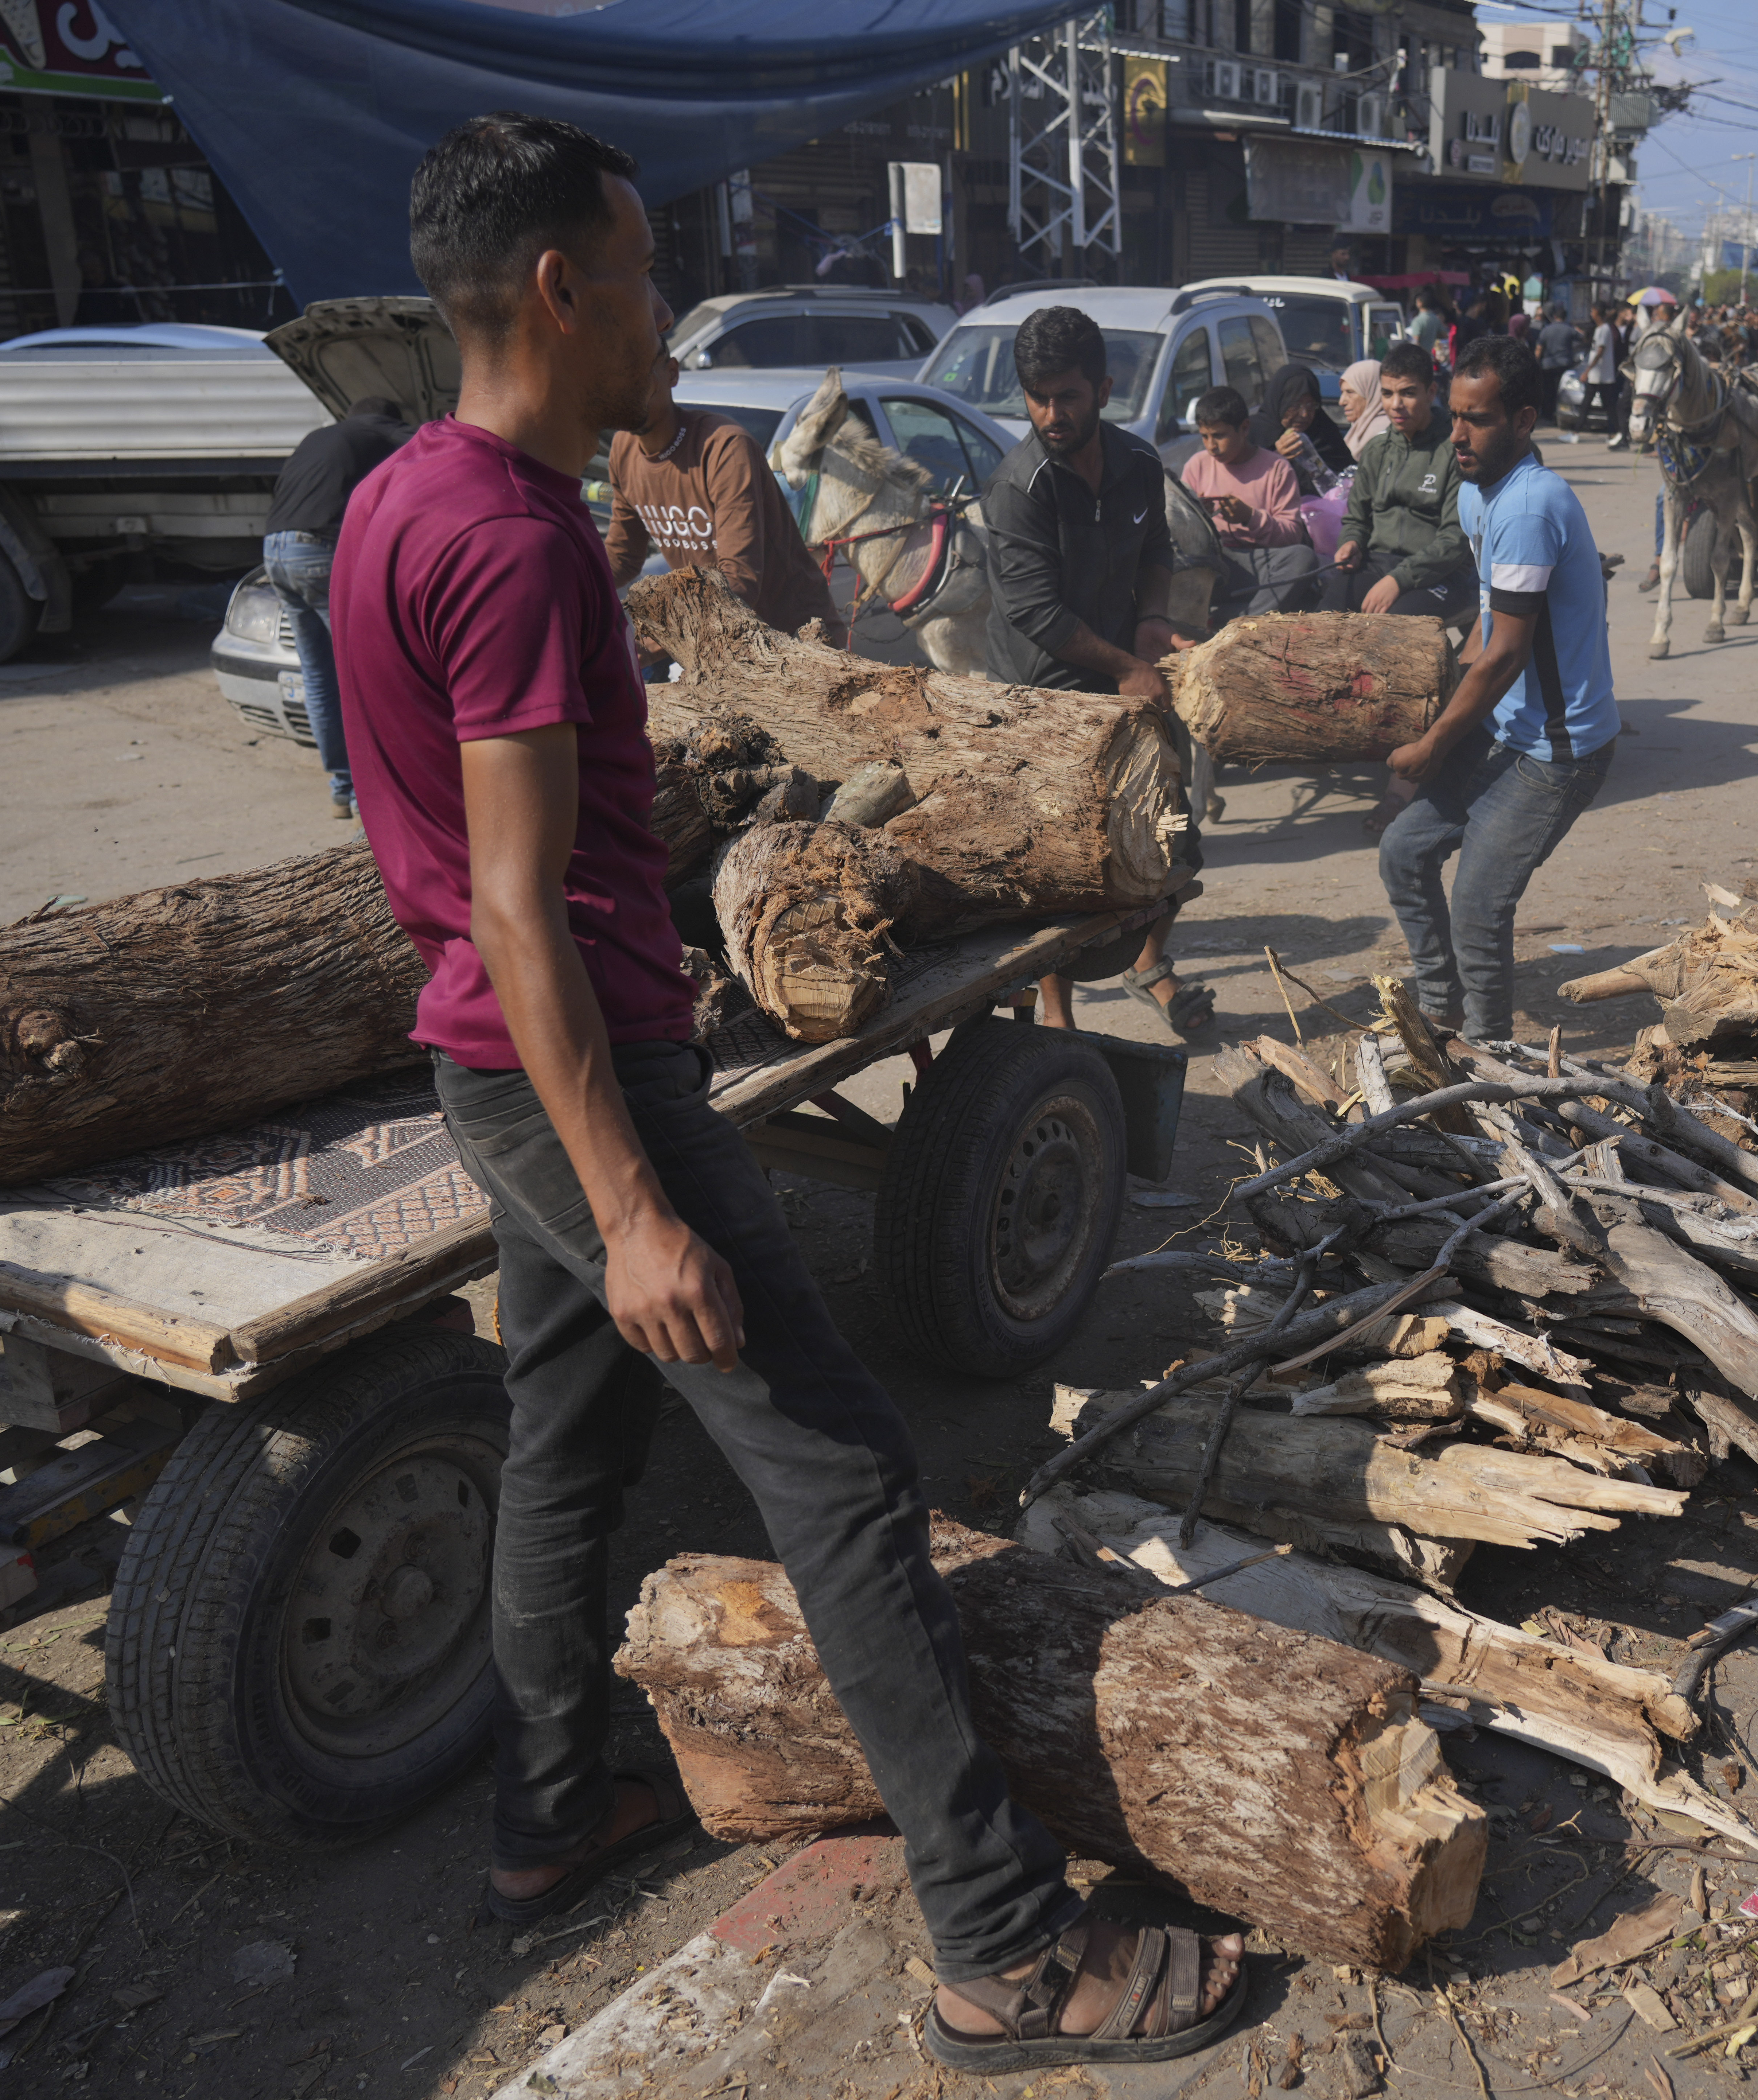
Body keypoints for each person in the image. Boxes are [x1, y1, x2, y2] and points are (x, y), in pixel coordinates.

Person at [332, 114, 1243, 2068]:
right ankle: (1007, 1953)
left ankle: (553, 1813)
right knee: (843, 1479)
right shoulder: (508, 542)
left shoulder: (406, 495)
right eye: (649, 271)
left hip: (499, 1068)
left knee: (566, 1444)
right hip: (580, 1081)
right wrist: (639, 1200)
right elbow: (516, 905)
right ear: (562, 289)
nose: (671, 310)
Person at [975, 305, 1215, 1035]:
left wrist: (1150, 622)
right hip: (1045, 689)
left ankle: (1147, 965)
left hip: (1124, 669)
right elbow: (1038, 615)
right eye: (1038, 396)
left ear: (1103, 389)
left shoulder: (1142, 466)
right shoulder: (1020, 489)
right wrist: (1124, 668)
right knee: (1061, 864)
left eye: (1068, 396)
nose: (1052, 412)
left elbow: (1157, 556)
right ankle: (1056, 1016)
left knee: (1175, 837)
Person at [1377, 334, 1612, 1043]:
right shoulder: (1482, 494)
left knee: (1479, 904)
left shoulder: (1530, 506)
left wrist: (1432, 746)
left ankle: (1488, 1059)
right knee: (1403, 852)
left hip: (1558, 749)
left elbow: (1505, 655)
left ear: (1523, 420)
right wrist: (1440, 716)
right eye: (1454, 415)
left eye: (1476, 419)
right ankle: (1442, 1005)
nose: (1458, 434)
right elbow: (1484, 632)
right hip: (1504, 730)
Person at [262, 392, 415, 817]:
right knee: (361, 676)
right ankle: (370, 803)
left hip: (274, 549)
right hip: (318, 552)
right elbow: (441, 445)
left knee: (319, 676)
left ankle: (343, 788)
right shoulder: (382, 430)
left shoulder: (322, 437)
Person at [602, 369, 835, 642]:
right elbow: (622, 559)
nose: (631, 384)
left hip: (796, 638)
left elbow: (739, 582)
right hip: (715, 642)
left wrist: (650, 645)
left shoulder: (726, 447)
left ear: (672, 373)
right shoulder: (623, 450)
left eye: (641, 371)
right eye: (622, 372)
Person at [1327, 342, 1469, 621]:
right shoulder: (1376, 450)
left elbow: (1456, 539)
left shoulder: (1456, 451)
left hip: (1441, 574)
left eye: (1408, 393)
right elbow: (1357, 519)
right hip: (1377, 565)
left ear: (1431, 393)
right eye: (1387, 394)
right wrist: (1351, 543)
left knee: (1392, 632)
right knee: (1323, 621)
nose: (1396, 405)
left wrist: (1399, 580)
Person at [1182, 383, 1321, 617]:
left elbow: (1292, 535)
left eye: (1219, 436)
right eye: (1205, 436)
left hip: (1260, 565)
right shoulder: (1198, 465)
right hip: (1215, 563)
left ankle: (1242, 621)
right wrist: (1199, 517)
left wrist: (1250, 518)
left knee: (1303, 558)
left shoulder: (1277, 468)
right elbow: (1181, 533)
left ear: (1245, 428)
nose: (1211, 446)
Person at [1249, 363, 1353, 497]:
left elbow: (1348, 479)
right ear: (1280, 401)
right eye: (1295, 405)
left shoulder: (1326, 434)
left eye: (1311, 405)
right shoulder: (1252, 434)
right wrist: (1276, 458)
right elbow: (1244, 484)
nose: (1304, 414)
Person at [1589, 304, 1627, 448]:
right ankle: (1616, 433)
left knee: (1611, 406)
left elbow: (1601, 351)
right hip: (1599, 374)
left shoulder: (1605, 330)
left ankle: (1618, 433)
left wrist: (1588, 370)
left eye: (1593, 311)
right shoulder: (1602, 329)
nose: (1591, 314)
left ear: (1598, 312)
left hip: (1604, 374)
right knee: (1603, 405)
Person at [1337, 356, 1386, 457]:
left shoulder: (1383, 434)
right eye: (1342, 393)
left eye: (1350, 392)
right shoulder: (1361, 429)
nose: (1342, 402)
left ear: (1371, 392)